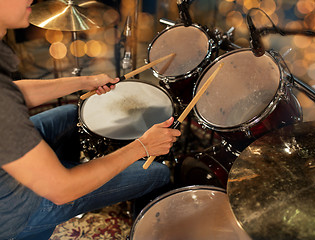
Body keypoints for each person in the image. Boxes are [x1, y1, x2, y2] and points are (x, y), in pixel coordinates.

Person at [0, 0, 181, 239]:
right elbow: (61, 189)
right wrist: (142, 146)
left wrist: (85, 82)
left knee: (68, 115)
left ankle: (65, 168)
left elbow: (15, 91)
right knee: (157, 174)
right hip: (14, 212)